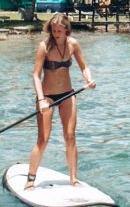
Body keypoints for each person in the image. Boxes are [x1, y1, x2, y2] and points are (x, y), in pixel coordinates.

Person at [25, 13, 96, 189]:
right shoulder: (44, 46)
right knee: (43, 138)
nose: (55, 34)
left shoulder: (73, 44)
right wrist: (41, 99)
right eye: (53, 30)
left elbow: (84, 66)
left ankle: (74, 178)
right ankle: (30, 179)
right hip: (47, 97)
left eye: (59, 31)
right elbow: (35, 75)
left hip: (67, 94)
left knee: (70, 136)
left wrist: (89, 79)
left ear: (66, 29)